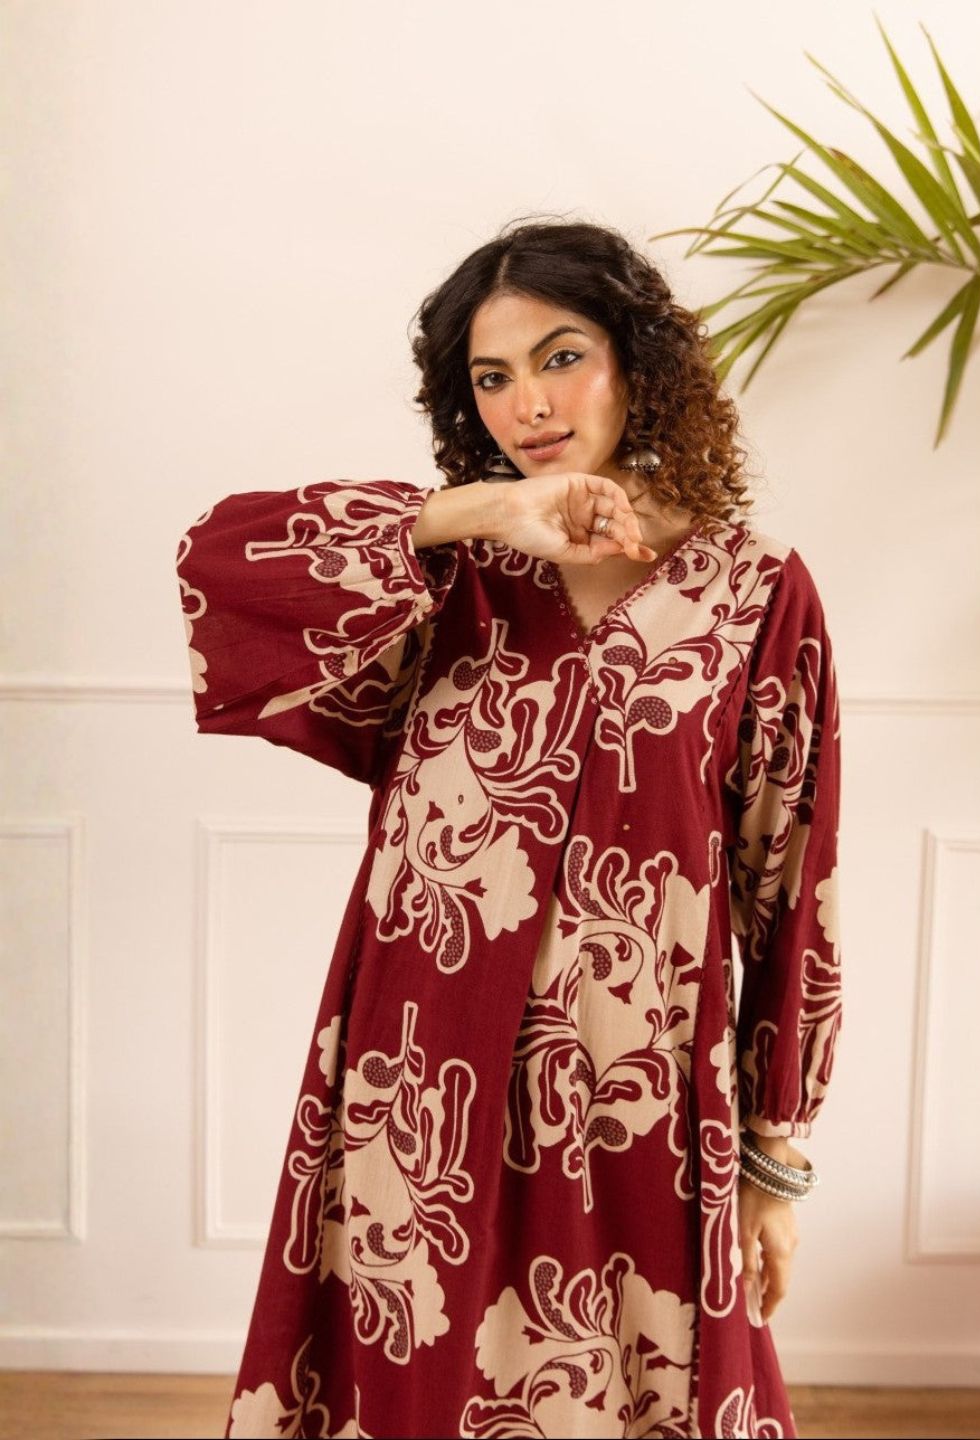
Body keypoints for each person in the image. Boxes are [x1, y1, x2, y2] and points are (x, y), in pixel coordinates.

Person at [175, 217, 842, 1440]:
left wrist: (775, 1157)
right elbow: (224, 563)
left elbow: (789, 881)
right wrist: (479, 513)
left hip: (641, 1091)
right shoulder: (442, 575)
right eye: (491, 377)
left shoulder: (755, 591)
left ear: (639, 360)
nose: (528, 403)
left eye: (561, 356)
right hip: (422, 1077)